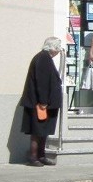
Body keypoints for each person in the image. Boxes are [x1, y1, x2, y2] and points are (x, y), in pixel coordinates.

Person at [19, 37, 63, 166]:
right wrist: (43, 101)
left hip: (46, 104)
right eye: (58, 48)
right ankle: (33, 157)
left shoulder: (45, 58)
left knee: (44, 131)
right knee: (37, 131)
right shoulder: (43, 58)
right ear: (53, 48)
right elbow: (42, 82)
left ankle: (41, 155)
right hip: (40, 104)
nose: (59, 51)